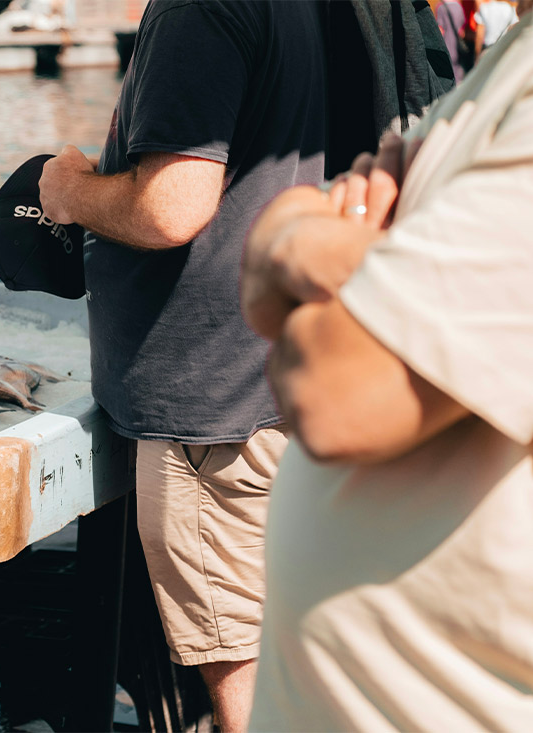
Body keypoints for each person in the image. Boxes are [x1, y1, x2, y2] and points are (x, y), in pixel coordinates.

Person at [36, 1, 449, 728]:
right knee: (329, 667)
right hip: (313, 376)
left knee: (254, 689)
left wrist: (68, 189)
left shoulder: (201, 7)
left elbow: (171, 206)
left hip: (217, 414)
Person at [241, 14, 533, 731]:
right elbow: (260, 291)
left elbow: (337, 391)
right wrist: (315, 245)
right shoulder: (505, 70)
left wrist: (288, 236)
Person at [434, 0, 469, 81]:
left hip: (446, 45)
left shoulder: (440, 7)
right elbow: (462, 30)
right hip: (458, 46)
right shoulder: (458, 6)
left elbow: (440, 30)